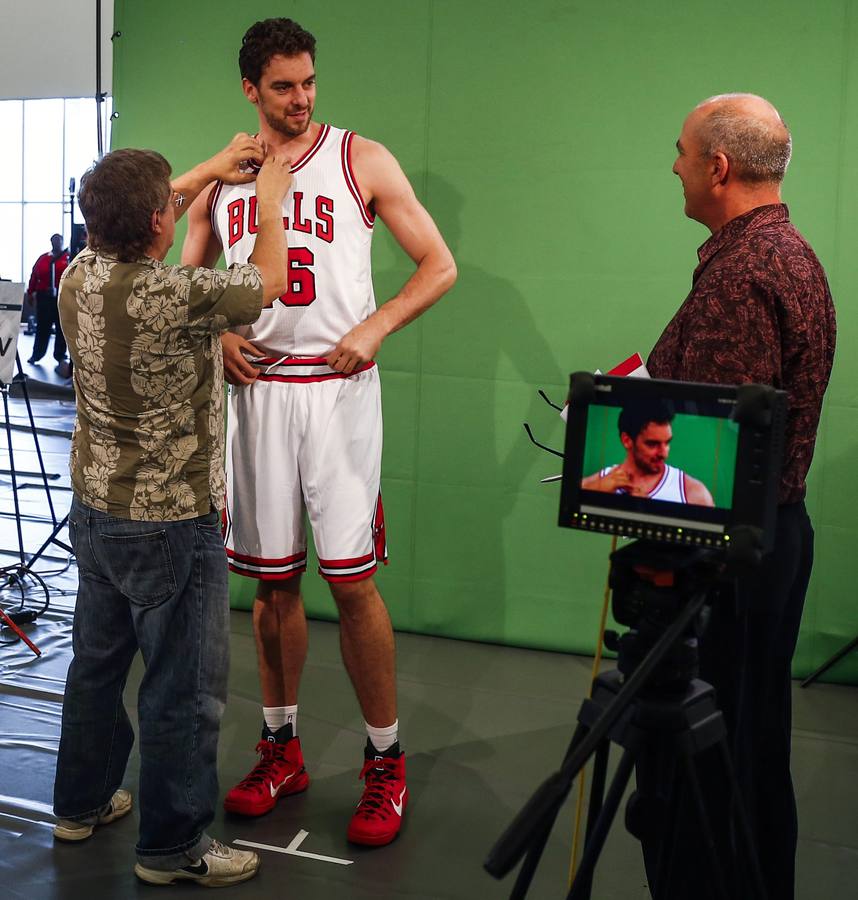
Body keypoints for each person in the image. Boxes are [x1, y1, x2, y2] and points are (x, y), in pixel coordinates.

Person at [182, 17, 456, 847]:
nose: (300, 100)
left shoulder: (359, 158)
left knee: (351, 581)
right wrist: (218, 333)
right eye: (283, 87)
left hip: (337, 390)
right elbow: (185, 285)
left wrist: (376, 327)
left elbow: (438, 265)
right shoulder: (223, 177)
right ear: (249, 89)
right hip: (260, 392)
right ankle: (281, 746)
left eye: (308, 83)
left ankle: (385, 758)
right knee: (271, 586)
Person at [53, 135, 294, 887]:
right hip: (170, 524)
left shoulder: (77, 275)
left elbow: (133, 210)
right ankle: (173, 846)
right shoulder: (177, 296)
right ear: (160, 222)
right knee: (182, 690)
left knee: (95, 670)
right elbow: (269, 281)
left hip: (95, 511)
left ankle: (79, 804)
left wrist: (208, 171)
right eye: (170, 204)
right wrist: (271, 200)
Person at [639, 93, 836, 899]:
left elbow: (715, 450)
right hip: (770, 544)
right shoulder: (786, 255)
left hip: (726, 560)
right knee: (752, 747)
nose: (675, 165)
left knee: (711, 761)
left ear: (718, 167)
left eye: (682, 151)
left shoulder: (743, 276)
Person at [581, 402, 714, 506]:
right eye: (652, 444)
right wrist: (595, 492)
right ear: (627, 440)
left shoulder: (695, 493)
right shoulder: (591, 485)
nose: (664, 453)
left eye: (667, 443)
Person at [26, 233, 69, 367]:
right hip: (44, 297)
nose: (56, 243)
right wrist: (30, 292)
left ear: (62, 242)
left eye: (58, 240)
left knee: (61, 327)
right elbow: (34, 275)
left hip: (62, 297)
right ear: (51, 242)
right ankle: (37, 354)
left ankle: (60, 355)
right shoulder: (44, 258)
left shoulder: (68, 258)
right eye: (53, 240)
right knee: (42, 327)